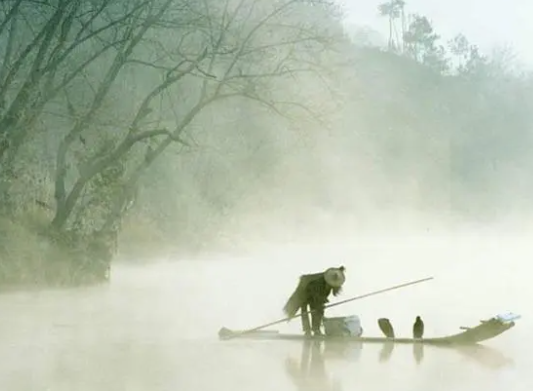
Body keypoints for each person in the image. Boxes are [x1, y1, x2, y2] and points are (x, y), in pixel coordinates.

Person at [283, 266, 346, 336]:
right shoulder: (318, 282)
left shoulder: (331, 283)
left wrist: (321, 306)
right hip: (305, 290)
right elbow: (315, 297)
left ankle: (316, 329)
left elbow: (320, 299)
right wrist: (321, 305)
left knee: (318, 310)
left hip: (315, 294)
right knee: (305, 311)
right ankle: (307, 330)